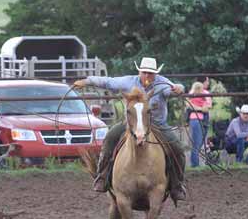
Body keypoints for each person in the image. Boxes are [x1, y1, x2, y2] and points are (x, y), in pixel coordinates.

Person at [73, 57, 187, 200]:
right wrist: (86, 81)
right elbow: (108, 82)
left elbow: (174, 89)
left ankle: (177, 184)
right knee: (110, 138)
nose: (147, 76)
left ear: (155, 74)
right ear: (139, 71)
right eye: (144, 72)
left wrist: (179, 88)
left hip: (157, 125)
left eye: (150, 73)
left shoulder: (162, 83)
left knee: (177, 148)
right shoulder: (128, 81)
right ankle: (102, 176)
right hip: (131, 124)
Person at [187, 81, 212, 167]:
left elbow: (206, 108)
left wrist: (196, 108)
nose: (202, 90)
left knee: (199, 142)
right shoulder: (193, 96)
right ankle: (194, 164)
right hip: (196, 119)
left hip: (199, 119)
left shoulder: (200, 97)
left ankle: (195, 163)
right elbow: (203, 108)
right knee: (196, 143)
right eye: (200, 89)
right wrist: (201, 108)